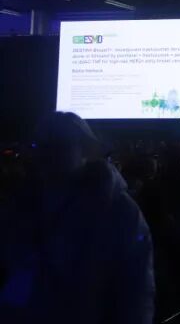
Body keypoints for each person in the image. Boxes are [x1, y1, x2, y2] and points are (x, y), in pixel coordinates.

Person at [0, 112, 155, 324]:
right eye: (41, 146)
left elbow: (136, 292)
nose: (48, 154)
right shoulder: (23, 203)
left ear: (82, 148)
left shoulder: (118, 209)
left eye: (59, 146)